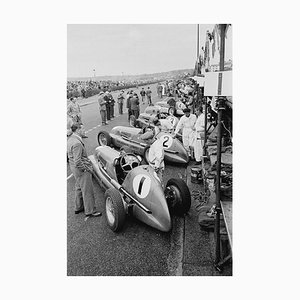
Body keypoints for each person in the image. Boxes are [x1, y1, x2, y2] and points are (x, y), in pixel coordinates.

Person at [67, 123, 102, 218]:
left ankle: (78, 207)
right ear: (77, 130)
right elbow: (78, 161)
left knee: (79, 187)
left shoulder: (70, 139)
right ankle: (90, 211)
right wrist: (86, 169)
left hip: (74, 168)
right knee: (87, 190)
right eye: (83, 129)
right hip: (81, 169)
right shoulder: (77, 143)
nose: (84, 131)